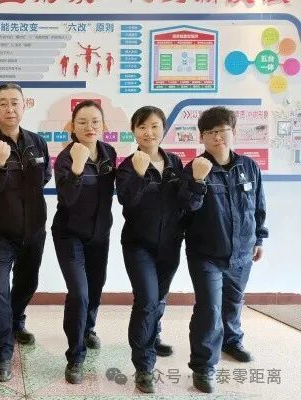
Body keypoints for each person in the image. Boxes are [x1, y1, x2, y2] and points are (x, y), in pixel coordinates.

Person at [178, 106, 268, 393]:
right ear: (201, 137)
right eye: (210, 132)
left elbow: (258, 206)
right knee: (209, 308)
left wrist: (259, 239)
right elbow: (186, 209)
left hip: (242, 252)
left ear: (234, 132)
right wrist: (198, 181)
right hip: (206, 254)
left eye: (222, 130)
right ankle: (203, 366)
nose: (217, 137)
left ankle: (232, 341)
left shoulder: (249, 167)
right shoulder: (194, 168)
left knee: (233, 302)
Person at [0, 83, 51, 382]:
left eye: (15, 102)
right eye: (2, 103)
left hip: (34, 230)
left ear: (24, 105)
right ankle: (2, 354)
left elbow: (44, 176)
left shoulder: (37, 142)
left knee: (28, 283)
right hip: (0, 234)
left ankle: (16, 320)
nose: (9, 108)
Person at [116, 106, 184, 393]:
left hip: (170, 244)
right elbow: (127, 201)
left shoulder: (175, 163)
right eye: (142, 127)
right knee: (146, 300)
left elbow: (184, 201)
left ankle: (153, 336)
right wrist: (139, 174)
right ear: (134, 131)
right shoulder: (127, 166)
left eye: (155, 126)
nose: (149, 132)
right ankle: (144, 366)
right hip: (138, 245)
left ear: (163, 129)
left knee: (159, 299)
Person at [52, 100, 116, 384]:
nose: (89, 127)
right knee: (79, 293)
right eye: (82, 122)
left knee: (96, 287)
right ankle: (75, 356)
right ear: (73, 126)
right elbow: (67, 198)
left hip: (100, 235)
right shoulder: (66, 157)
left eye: (95, 121)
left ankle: (88, 328)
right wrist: (78, 167)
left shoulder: (109, 153)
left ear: (103, 125)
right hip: (70, 234)